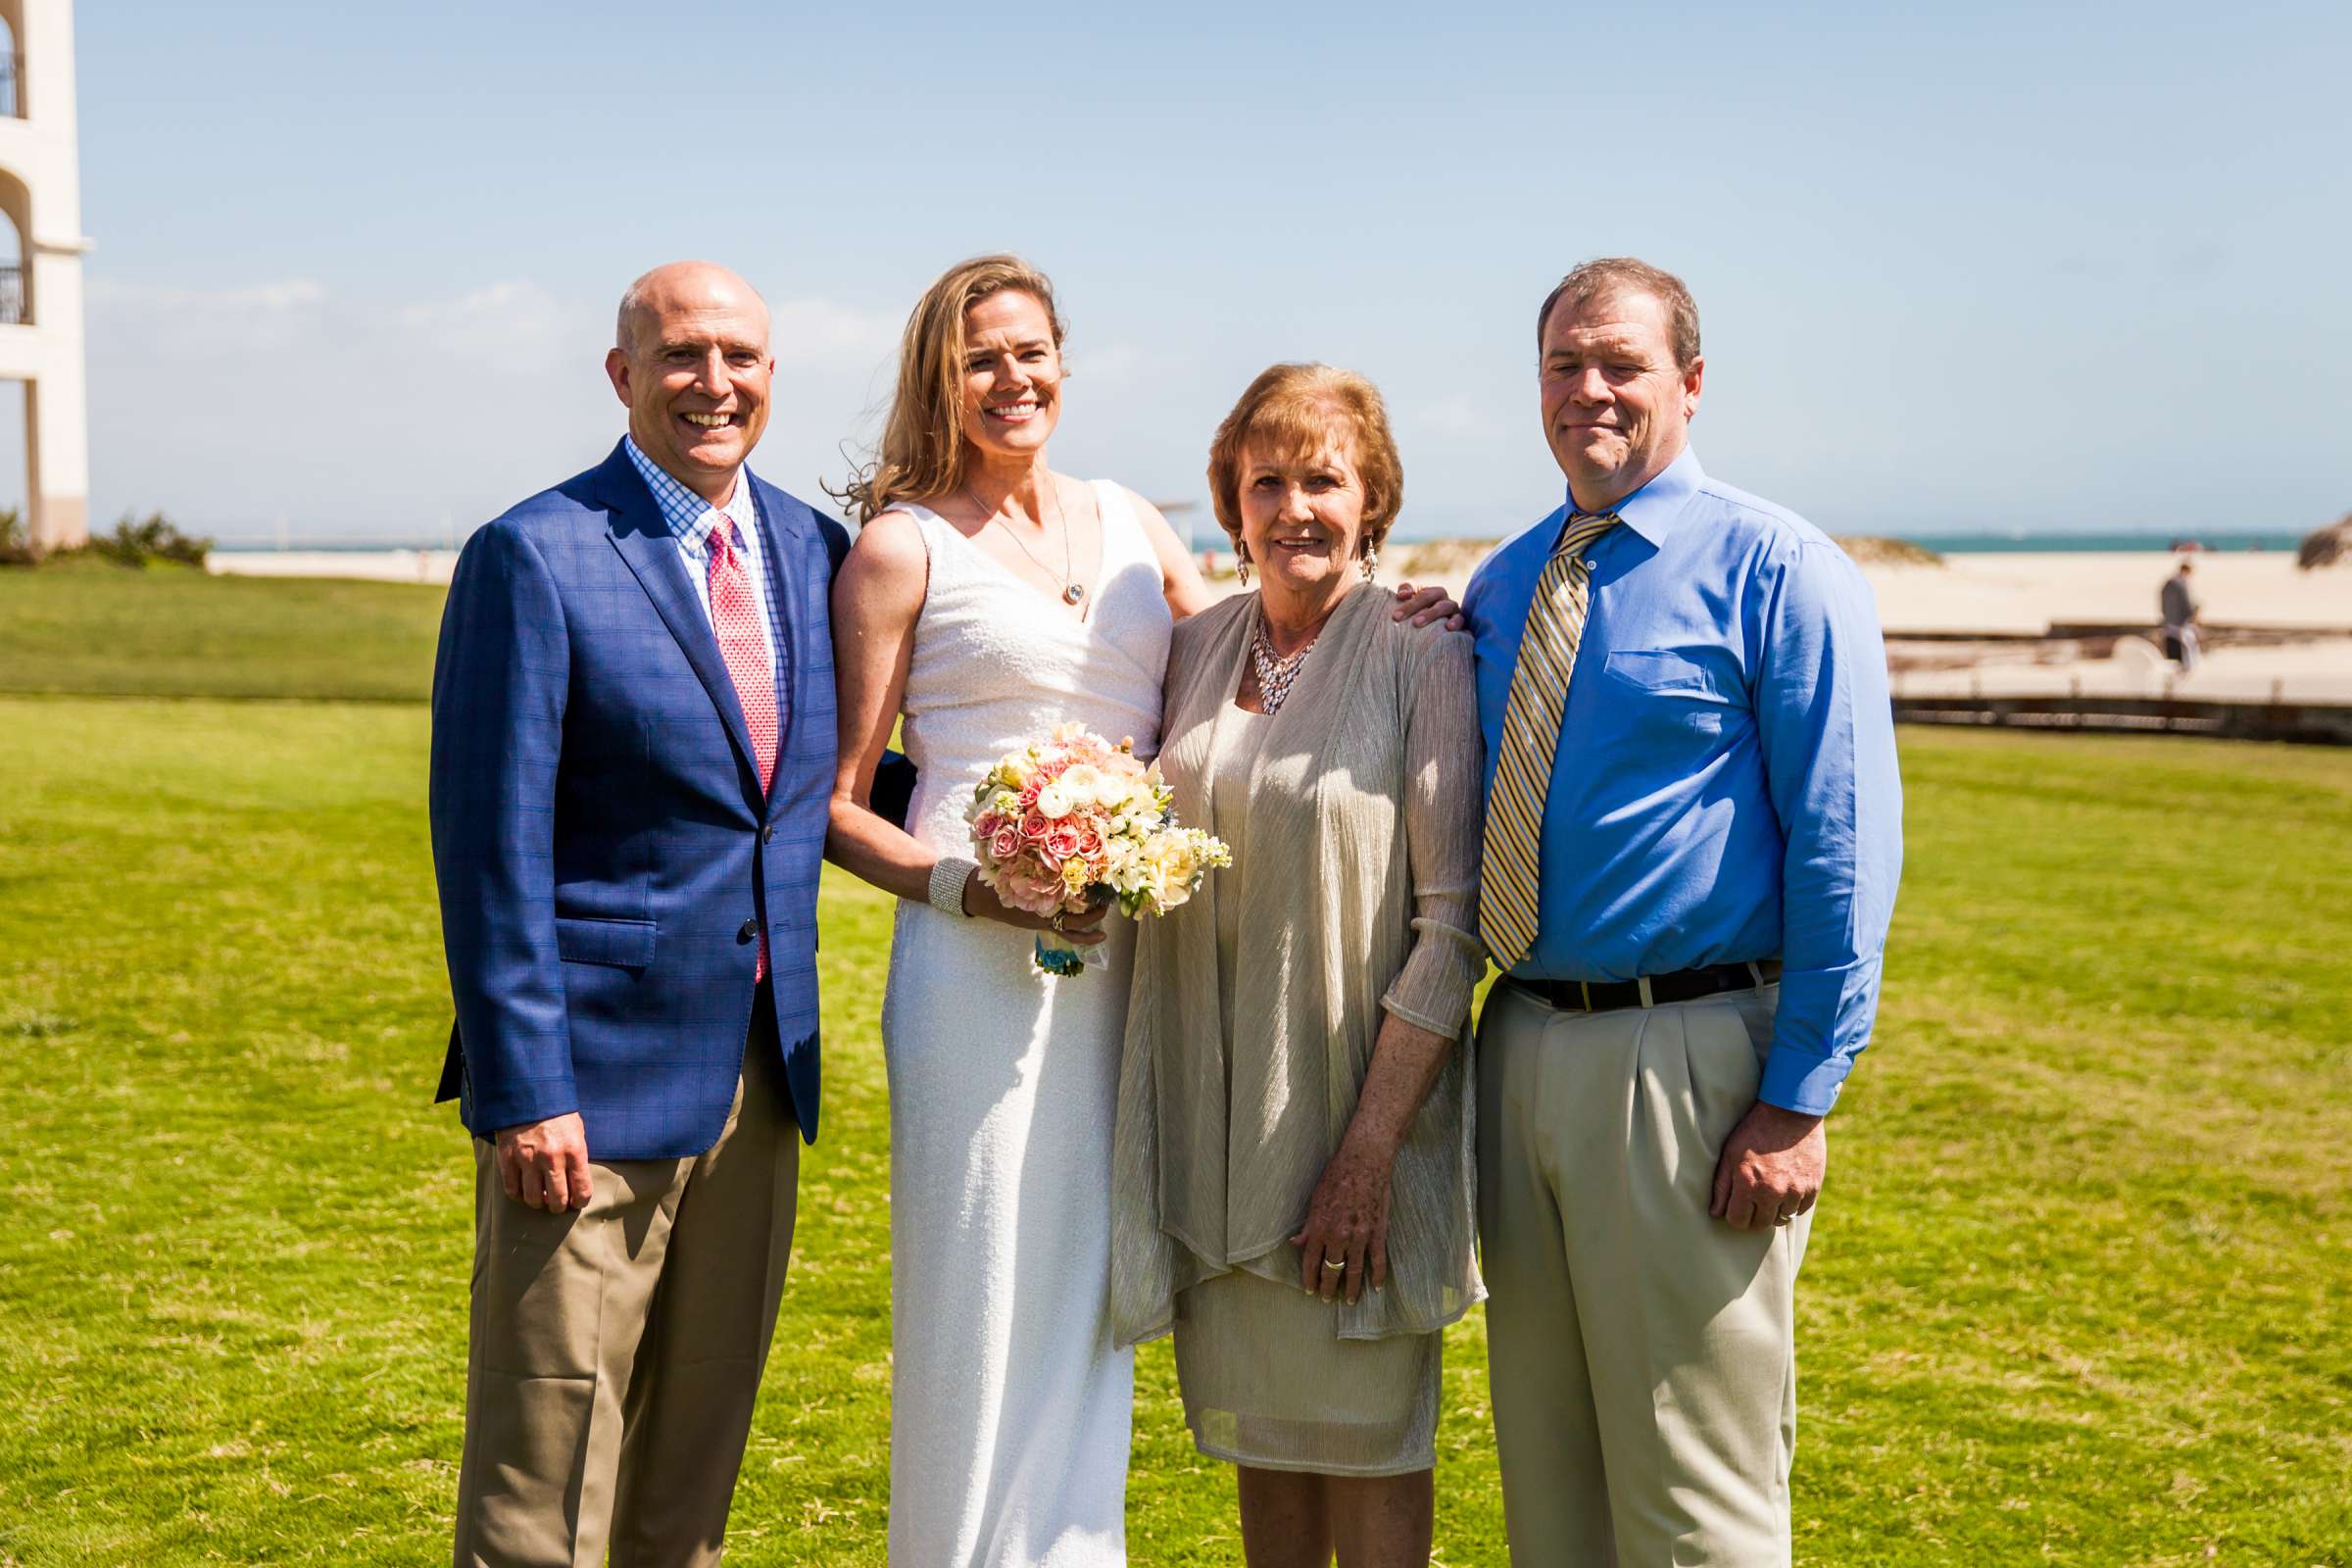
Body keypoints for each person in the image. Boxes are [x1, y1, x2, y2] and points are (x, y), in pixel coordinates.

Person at [824, 256, 1457, 1566]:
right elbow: (837, 804)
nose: (1013, 378)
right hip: (971, 972)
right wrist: (969, 886)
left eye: (1032, 350)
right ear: (939, 375)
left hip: (1122, 984)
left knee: (1093, 1302)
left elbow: (1267, 637)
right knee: (982, 1289)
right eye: (981, 355)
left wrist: (1414, 604)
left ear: (1065, 359)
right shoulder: (901, 546)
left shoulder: (1126, 522)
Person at [1461, 257, 1902, 1566]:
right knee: (1552, 1479)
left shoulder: (1783, 569)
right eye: (1562, 364)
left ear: (1691, 386)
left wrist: (1798, 1097)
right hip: (1520, 1048)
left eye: (1621, 364)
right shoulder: (1502, 586)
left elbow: (1843, 845)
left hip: (1694, 1063)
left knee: (1694, 1498)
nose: (1587, 389)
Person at [429, 261, 845, 1568]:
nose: (712, 382)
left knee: (696, 1458)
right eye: (680, 355)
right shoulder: (534, 555)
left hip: (763, 1083)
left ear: (772, 376)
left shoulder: (811, 551)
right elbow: (489, 848)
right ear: (623, 376)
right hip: (589, 1091)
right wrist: (525, 1086)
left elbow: (855, 773)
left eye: (740, 356)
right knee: (543, 1466)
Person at [1109, 365, 1485, 1568]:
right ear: (1232, 505)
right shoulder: (1193, 648)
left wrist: (1367, 1158)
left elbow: (1453, 927)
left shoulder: (1424, 652)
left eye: (1323, 478)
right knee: (1263, 1461)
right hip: (1220, 1137)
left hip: (1353, 1134)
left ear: (1370, 497)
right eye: (1266, 482)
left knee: (1370, 1455)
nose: (1295, 507)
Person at [2161, 558, 2200, 669]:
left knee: (2172, 651)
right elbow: (2186, 605)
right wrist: (2193, 615)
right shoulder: (2181, 584)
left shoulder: (2168, 583)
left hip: (2169, 622)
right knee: (2186, 650)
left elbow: (2163, 602)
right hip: (2180, 623)